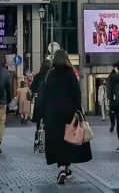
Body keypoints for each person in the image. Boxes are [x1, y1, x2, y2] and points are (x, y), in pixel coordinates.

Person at [40, 49, 92, 184]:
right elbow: (76, 94)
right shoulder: (70, 74)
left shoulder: (50, 75)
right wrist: (78, 110)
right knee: (69, 140)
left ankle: (62, 168)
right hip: (69, 113)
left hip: (52, 114)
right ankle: (66, 168)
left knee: (57, 142)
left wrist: (42, 114)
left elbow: (44, 95)